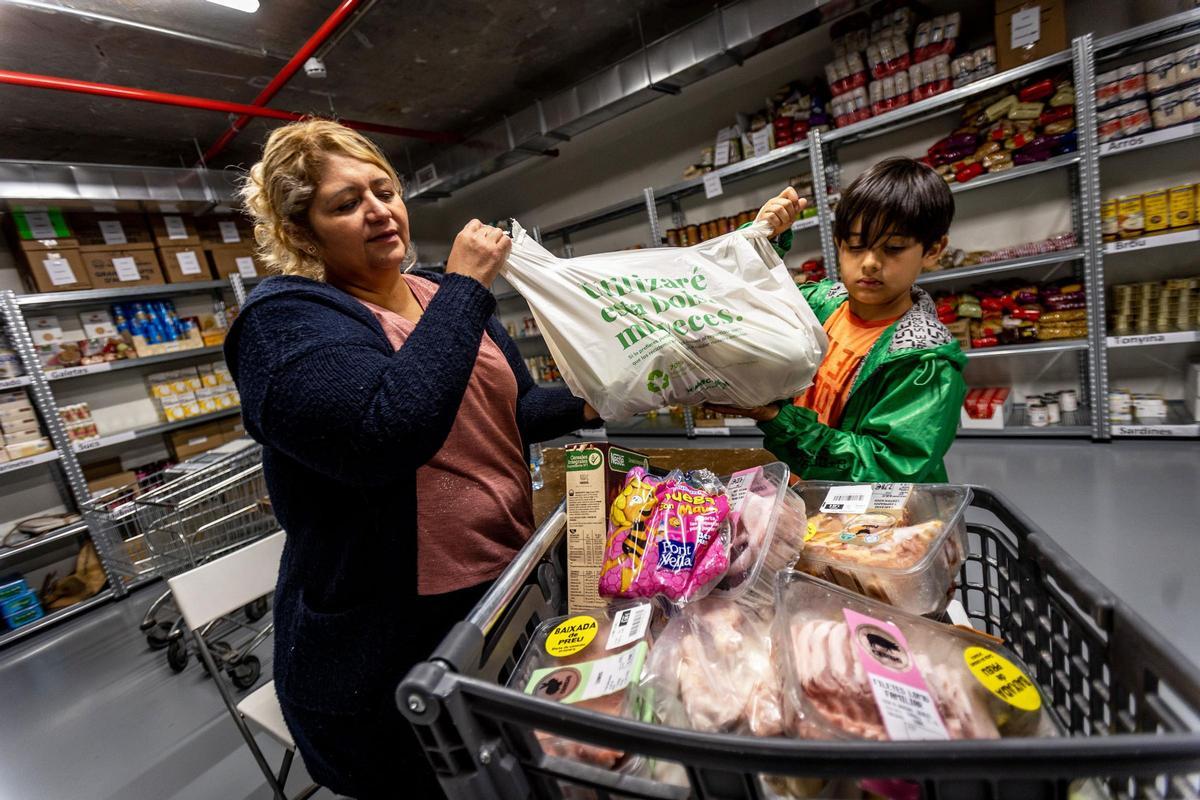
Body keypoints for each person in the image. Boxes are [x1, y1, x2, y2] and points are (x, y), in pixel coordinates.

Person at [224, 118, 600, 799]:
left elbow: (500, 414)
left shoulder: (434, 292)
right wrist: (466, 288)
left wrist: (589, 402)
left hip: (499, 593)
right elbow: (384, 434)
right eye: (345, 204)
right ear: (301, 231)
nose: (378, 211)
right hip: (387, 655)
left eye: (384, 190)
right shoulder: (284, 323)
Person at [712, 157, 967, 482]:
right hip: (809, 492)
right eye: (856, 246)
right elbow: (739, 300)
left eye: (893, 248)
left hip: (877, 518)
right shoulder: (819, 305)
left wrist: (778, 419)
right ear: (838, 244)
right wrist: (760, 240)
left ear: (932, 251)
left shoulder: (925, 363)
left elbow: (888, 467)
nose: (871, 263)